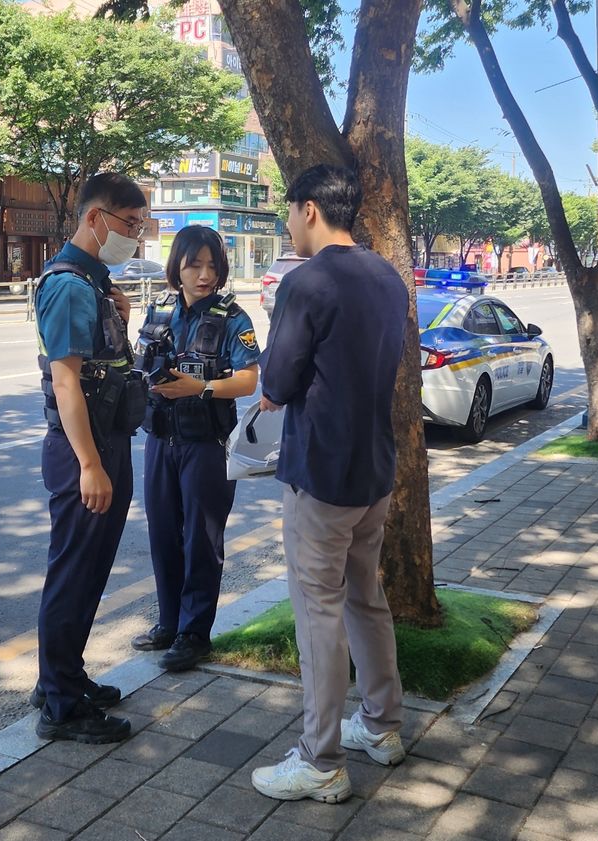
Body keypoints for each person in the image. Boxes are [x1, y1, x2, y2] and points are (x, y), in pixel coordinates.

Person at [251, 164, 408, 803]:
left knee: (318, 613)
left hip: (321, 474)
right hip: (375, 469)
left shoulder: (306, 282)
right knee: (366, 599)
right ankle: (383, 726)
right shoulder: (389, 277)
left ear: (309, 209)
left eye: (290, 212)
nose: (289, 224)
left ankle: (319, 760)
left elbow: (279, 380)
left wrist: (268, 391)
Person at [32, 172, 148, 743]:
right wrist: (90, 465)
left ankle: (64, 675)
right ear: (95, 218)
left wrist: (120, 322)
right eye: (130, 225)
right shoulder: (71, 286)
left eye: (142, 228)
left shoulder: (96, 285)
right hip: (87, 451)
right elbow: (67, 384)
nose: (136, 237)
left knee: (90, 570)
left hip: (108, 443)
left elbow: (104, 368)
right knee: (74, 573)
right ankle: (59, 706)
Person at [131, 225, 259, 671]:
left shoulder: (233, 318)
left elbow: (248, 380)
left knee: (202, 540)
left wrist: (200, 387)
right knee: (163, 534)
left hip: (207, 444)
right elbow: (139, 361)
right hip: (161, 440)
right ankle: (169, 622)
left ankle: (194, 633)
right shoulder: (159, 310)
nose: (204, 275)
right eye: (194, 265)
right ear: (177, 268)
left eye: (212, 266)